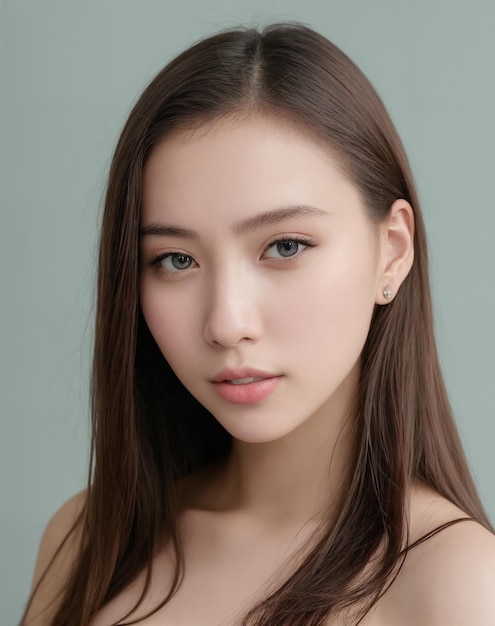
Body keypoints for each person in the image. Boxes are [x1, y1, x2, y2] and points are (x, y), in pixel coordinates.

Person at [22, 22, 495, 626]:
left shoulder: (456, 583)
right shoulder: (88, 537)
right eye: (176, 260)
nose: (226, 323)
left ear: (392, 250)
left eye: (286, 247)